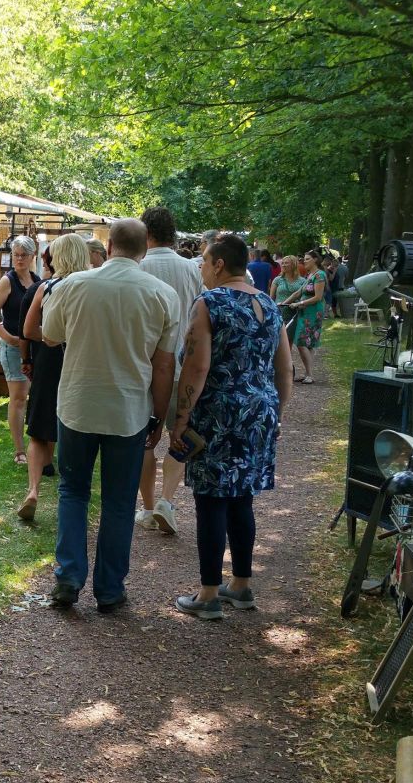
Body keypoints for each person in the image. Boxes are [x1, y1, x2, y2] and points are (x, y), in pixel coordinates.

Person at [41, 219, 178, 612]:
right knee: (118, 501)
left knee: (73, 491)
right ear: (144, 250)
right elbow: (165, 364)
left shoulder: (73, 285)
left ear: (108, 244)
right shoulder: (162, 294)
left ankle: (68, 577)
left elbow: (50, 335)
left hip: (78, 404)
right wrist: (159, 413)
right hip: (129, 410)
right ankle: (110, 588)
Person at [171, 232, 293, 620]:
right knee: (242, 498)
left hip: (219, 412)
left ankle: (207, 593)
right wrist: (276, 412)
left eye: (205, 261)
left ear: (219, 264)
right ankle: (240, 585)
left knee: (210, 500)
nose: (203, 269)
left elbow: (197, 366)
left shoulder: (210, 303)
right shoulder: (270, 306)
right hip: (260, 411)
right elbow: (284, 367)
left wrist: (181, 418)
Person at [135, 206, 204, 536]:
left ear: (145, 233)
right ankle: (166, 500)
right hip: (182, 365)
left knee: (145, 441)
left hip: (145, 366)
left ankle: (148, 508)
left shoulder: (140, 265)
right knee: (180, 436)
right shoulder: (192, 268)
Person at [15, 234, 91, 520]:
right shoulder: (91, 287)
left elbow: (28, 329)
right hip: (80, 361)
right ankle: (70, 491)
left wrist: (51, 339)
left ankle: (33, 490)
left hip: (49, 359)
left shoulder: (46, 287)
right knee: (75, 426)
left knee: (37, 427)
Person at [0, 235, 41, 465]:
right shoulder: (8, 281)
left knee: (35, 397)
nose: (19, 259)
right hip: (14, 347)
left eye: (23, 255)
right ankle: (19, 450)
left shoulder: (37, 280)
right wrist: (7, 337)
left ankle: (37, 444)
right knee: (18, 398)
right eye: (15, 255)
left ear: (32, 257)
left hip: (35, 346)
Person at [278, 249, 327, 383]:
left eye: (307, 259)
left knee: (301, 342)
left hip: (313, 312)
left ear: (315, 260)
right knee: (307, 343)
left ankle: (310, 375)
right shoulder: (310, 276)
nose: (304, 261)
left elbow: (318, 297)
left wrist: (300, 303)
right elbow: (297, 293)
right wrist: (283, 303)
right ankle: (308, 374)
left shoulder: (319, 275)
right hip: (304, 311)